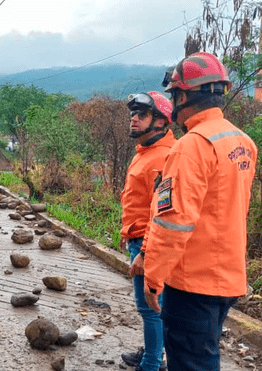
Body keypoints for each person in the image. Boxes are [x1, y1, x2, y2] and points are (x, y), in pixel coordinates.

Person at [143, 52, 258, 370]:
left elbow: (174, 222)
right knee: (204, 354)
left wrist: (153, 277)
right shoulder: (242, 142)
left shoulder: (191, 146)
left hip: (193, 282)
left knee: (192, 362)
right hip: (227, 278)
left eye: (175, 96)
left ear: (183, 95)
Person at [119, 91, 176, 371]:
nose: (134, 119)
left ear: (162, 122)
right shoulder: (145, 152)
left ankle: (151, 364)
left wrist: (143, 251)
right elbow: (137, 201)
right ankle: (152, 353)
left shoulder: (162, 157)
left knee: (151, 307)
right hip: (137, 236)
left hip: (147, 241)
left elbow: (161, 211)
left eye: (142, 114)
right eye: (133, 114)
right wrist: (126, 233)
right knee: (151, 306)